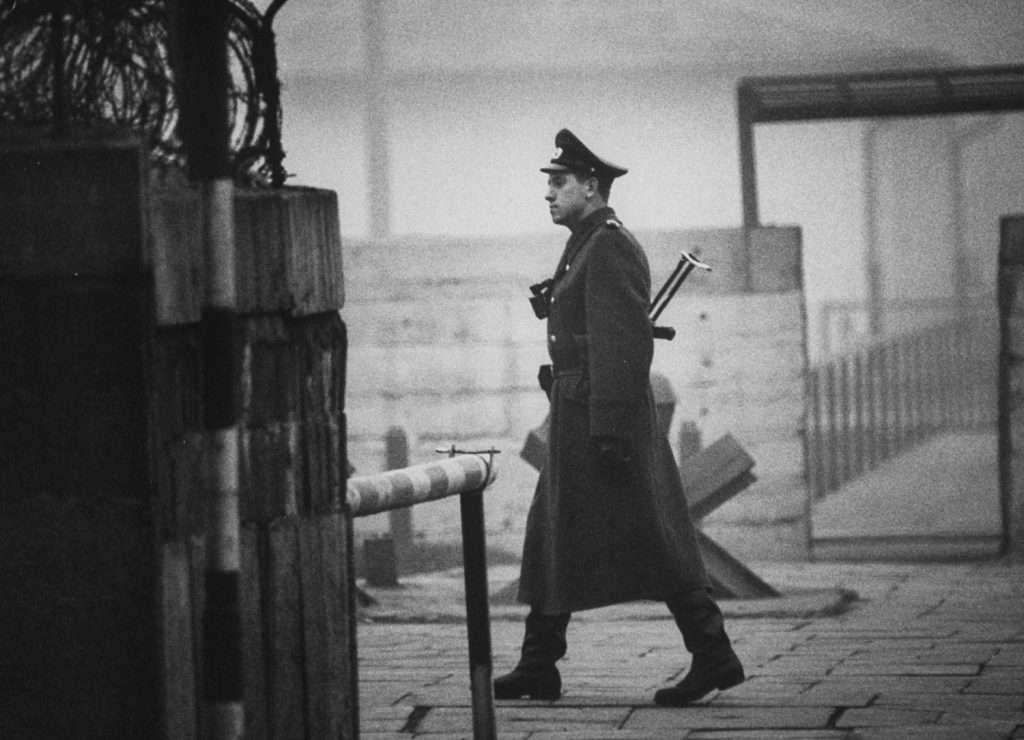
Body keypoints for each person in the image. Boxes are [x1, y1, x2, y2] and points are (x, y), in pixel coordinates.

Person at [494, 128, 744, 707]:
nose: (548, 193)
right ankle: (538, 664)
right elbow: (591, 334)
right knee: (552, 532)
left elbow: (622, 344)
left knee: (656, 537)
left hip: (604, 421)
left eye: (559, 183)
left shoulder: (607, 244)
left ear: (590, 186)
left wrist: (607, 428)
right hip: (579, 410)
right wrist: (563, 378)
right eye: (549, 183)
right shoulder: (585, 241)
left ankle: (712, 654)